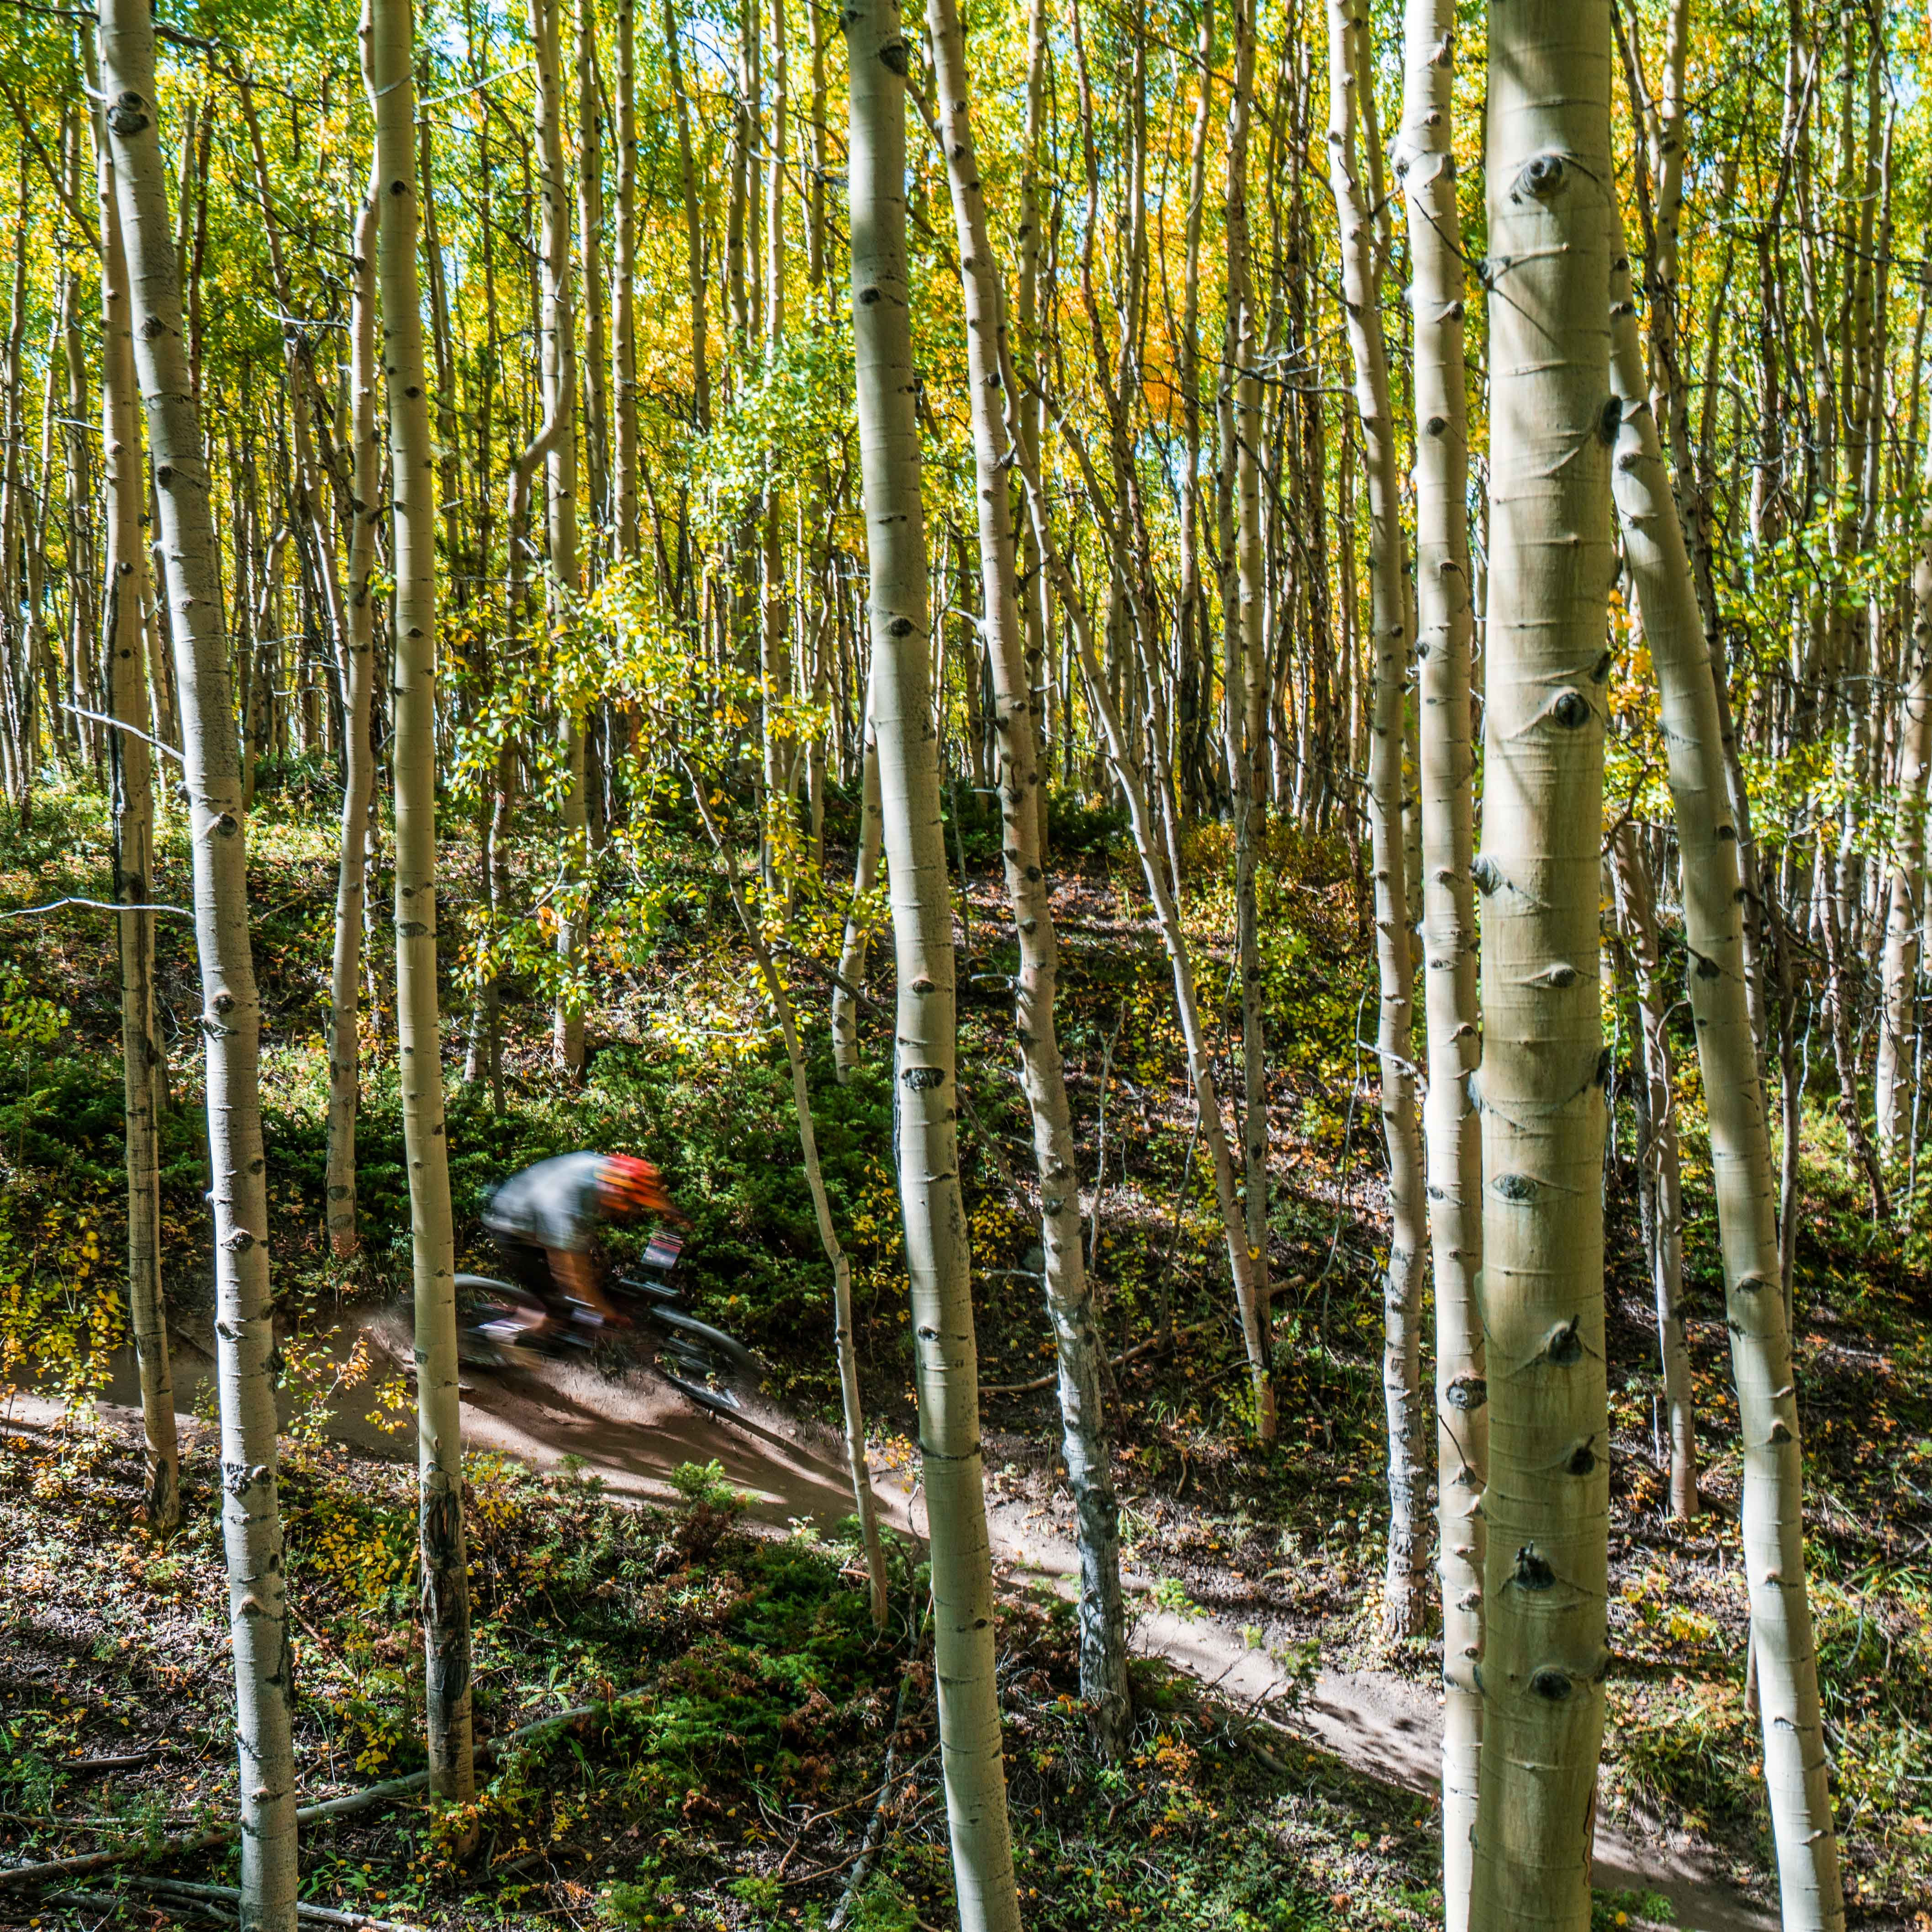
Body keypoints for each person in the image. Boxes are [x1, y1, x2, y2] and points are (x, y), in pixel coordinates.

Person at [481, 1152, 679, 1341]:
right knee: (550, 1308)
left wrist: (676, 1216)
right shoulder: (562, 1201)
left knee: (578, 1293)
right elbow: (568, 1271)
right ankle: (496, 1334)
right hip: (513, 1226)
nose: (627, 1209)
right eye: (626, 1202)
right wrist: (603, 1310)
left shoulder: (601, 1173)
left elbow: (577, 1257)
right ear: (614, 1190)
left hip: (535, 1219)